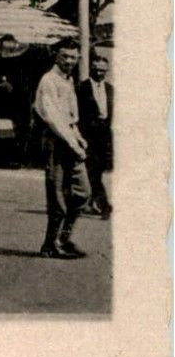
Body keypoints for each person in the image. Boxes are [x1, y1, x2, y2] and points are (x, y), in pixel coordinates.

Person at [34, 39, 90, 258]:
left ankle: (63, 238)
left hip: (70, 140)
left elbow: (70, 118)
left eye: (73, 57)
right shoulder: (48, 80)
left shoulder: (68, 81)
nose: (69, 61)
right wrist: (73, 145)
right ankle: (50, 245)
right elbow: (53, 119)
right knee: (57, 196)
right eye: (65, 56)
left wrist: (78, 137)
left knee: (83, 193)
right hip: (56, 142)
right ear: (56, 56)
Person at [77, 51, 113, 219]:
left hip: (104, 136)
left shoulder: (110, 89)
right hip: (88, 135)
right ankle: (105, 205)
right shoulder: (82, 88)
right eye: (97, 69)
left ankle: (90, 204)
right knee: (91, 172)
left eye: (103, 70)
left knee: (97, 172)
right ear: (91, 69)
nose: (99, 73)